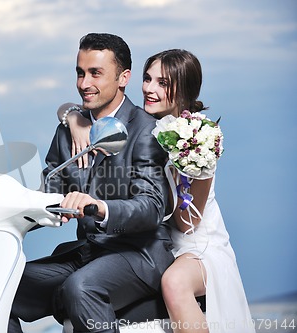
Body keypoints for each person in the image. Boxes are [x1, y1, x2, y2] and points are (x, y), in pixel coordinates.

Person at [58, 49, 255, 332]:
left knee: (174, 283)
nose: (150, 89)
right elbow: (77, 106)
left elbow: (189, 223)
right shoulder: (145, 128)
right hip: (151, 241)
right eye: (147, 79)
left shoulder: (199, 136)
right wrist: (74, 117)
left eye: (163, 83)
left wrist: (176, 171)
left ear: (183, 87)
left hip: (196, 245)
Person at [8, 33, 175, 333]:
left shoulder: (146, 130)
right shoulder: (68, 132)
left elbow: (151, 207)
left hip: (139, 253)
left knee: (80, 287)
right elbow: (49, 191)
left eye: (95, 73)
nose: (84, 83)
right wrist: (2, 208)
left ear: (123, 78)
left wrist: (98, 207)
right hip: (87, 252)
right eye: (80, 73)